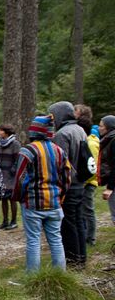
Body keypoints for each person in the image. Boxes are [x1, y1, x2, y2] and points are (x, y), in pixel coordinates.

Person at [12, 115, 72, 271]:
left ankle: (33, 276)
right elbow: (67, 178)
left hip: (33, 203)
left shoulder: (28, 150)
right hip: (54, 203)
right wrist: (61, 197)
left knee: (33, 241)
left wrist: (18, 197)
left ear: (34, 131)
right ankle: (60, 274)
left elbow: (20, 177)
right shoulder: (59, 150)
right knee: (56, 239)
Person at [49, 101, 89, 268]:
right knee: (78, 221)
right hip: (80, 182)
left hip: (69, 185)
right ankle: (81, 256)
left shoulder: (62, 134)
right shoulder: (80, 129)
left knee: (68, 223)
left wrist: (59, 186)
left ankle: (73, 259)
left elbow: (61, 162)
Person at [75, 105, 99, 246]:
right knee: (82, 210)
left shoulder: (91, 142)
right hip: (84, 181)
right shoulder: (87, 139)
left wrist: (84, 180)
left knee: (88, 210)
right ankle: (84, 235)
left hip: (88, 182)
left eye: (76, 112)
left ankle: (91, 239)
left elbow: (92, 164)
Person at [0, 124, 21, 230]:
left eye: (0, 130)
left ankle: (13, 221)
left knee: (12, 198)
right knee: (3, 198)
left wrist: (13, 170)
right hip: (1, 174)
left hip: (11, 175)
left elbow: (18, 159)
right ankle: (5, 221)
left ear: (6, 132)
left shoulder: (15, 144)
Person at [98, 115, 115, 224]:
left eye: (101, 126)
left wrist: (110, 187)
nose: (99, 128)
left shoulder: (113, 140)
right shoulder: (108, 139)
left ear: (109, 127)